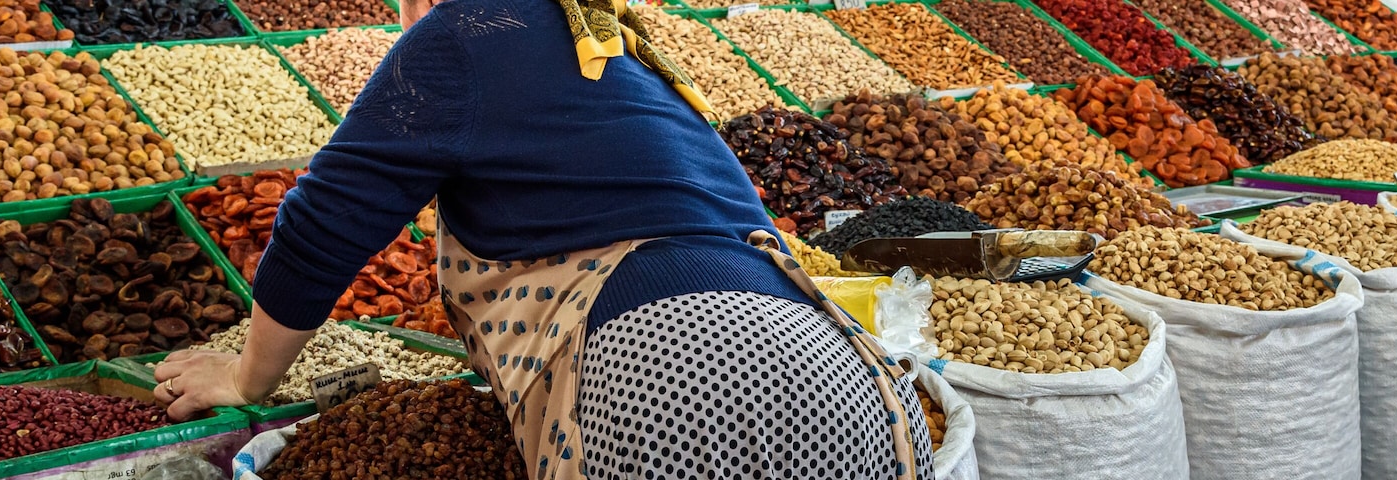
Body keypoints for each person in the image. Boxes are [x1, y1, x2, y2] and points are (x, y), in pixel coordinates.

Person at [150, 0, 933, 477]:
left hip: (679, 375)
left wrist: (247, 379)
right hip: (846, 374)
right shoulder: (625, 59)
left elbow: (325, 218)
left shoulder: (464, 32)